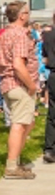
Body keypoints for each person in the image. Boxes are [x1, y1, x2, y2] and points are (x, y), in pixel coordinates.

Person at [0, 0, 38, 179]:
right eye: (27, 13)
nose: (28, 16)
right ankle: (12, 166)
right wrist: (31, 85)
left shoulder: (6, 33)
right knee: (19, 124)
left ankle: (15, 160)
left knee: (27, 122)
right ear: (21, 16)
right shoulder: (20, 35)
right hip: (19, 84)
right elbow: (18, 64)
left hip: (8, 83)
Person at [43, 12, 55, 163]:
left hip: (53, 74)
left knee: (52, 114)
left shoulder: (47, 36)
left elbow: (45, 58)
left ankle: (50, 149)